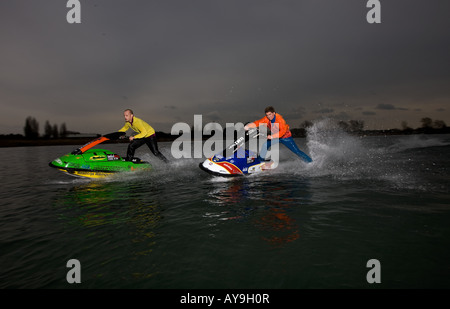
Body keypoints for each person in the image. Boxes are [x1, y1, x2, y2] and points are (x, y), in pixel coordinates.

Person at [244, 106, 312, 164]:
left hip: (286, 137)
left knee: (296, 151)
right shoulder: (266, 118)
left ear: (274, 113)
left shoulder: (279, 120)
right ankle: (259, 161)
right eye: (267, 115)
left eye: (270, 114)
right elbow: (257, 122)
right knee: (265, 145)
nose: (268, 116)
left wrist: (272, 136)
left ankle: (310, 162)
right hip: (275, 137)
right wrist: (248, 126)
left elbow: (282, 131)